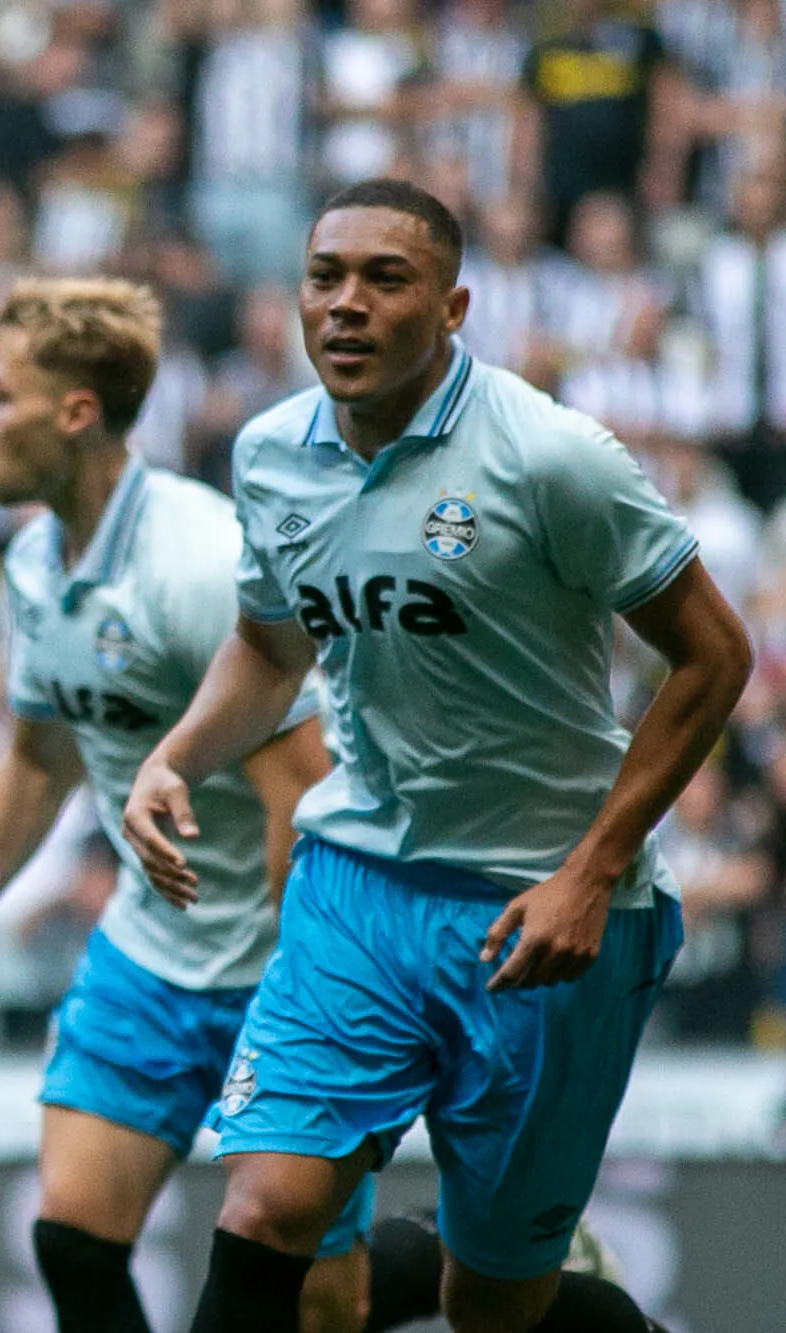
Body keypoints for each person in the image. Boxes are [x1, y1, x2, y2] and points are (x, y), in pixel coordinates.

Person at [122, 178, 750, 1333]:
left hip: (545, 915)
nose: (345, 306)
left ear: (453, 306)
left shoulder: (553, 459)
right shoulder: (268, 454)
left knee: (493, 1302)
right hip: (357, 883)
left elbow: (711, 656)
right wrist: (175, 755)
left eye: (383, 279)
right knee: (265, 1209)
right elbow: (268, 645)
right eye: (324, 278)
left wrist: (590, 868)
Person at [0, 276, 372, 1333]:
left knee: (316, 1305)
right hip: (149, 954)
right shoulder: (31, 562)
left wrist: (298, 999)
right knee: (71, 1234)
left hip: (283, 966)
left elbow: (303, 793)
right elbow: (43, 764)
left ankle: (479, 1278)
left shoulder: (195, 562)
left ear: (75, 412)